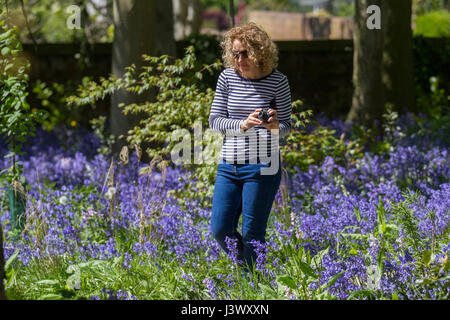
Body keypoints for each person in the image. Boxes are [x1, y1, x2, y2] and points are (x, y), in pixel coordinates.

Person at [208, 22, 292, 272]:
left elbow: (286, 126)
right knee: (220, 228)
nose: (240, 59)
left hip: (263, 166)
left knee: (253, 233)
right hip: (229, 166)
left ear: (260, 53)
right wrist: (242, 124)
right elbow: (214, 121)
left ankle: (251, 287)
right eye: (235, 53)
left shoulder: (278, 81)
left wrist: (275, 126)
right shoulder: (227, 78)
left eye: (245, 53)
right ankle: (251, 271)